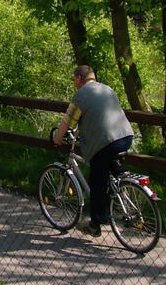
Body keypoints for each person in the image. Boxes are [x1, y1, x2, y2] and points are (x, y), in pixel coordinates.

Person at [53, 65, 134, 237]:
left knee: (97, 181)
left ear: (79, 78)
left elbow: (68, 121)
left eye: (74, 79)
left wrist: (57, 139)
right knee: (111, 172)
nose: (74, 83)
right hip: (125, 136)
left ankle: (95, 224)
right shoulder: (107, 89)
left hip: (105, 142)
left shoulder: (81, 95)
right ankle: (121, 197)